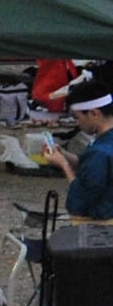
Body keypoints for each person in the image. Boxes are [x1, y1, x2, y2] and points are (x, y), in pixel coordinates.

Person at [43, 65, 113, 219]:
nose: (76, 123)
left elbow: (79, 203)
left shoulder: (100, 152)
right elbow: (96, 168)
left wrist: (64, 166)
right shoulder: (104, 145)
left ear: (94, 113)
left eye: (77, 117)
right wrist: (65, 155)